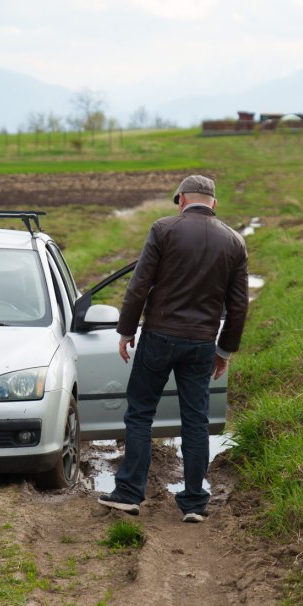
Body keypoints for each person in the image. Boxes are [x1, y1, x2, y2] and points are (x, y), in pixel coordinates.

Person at [97, 174, 249, 523]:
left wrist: (124, 330)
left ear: (181, 199)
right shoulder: (234, 242)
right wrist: (224, 351)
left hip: (159, 337)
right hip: (200, 343)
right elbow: (238, 308)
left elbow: (139, 286)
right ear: (214, 203)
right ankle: (195, 502)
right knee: (194, 420)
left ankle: (130, 493)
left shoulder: (163, 229)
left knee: (140, 413)